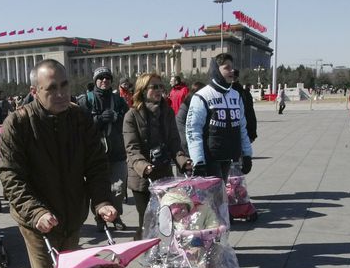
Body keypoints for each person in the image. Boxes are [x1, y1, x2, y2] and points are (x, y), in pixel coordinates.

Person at [0, 59, 117, 268]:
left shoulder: (79, 118)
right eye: (52, 88)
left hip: (71, 215)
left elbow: (96, 164)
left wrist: (101, 201)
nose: (62, 93)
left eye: (65, 85)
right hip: (35, 220)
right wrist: (36, 212)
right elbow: (10, 175)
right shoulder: (19, 123)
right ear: (35, 91)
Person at [124, 73, 190, 239]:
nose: (159, 90)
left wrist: (184, 161)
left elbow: (174, 142)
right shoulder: (131, 115)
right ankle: (144, 248)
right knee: (147, 219)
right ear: (143, 89)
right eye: (154, 87)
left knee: (166, 216)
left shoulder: (167, 112)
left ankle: (162, 249)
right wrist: (143, 165)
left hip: (164, 173)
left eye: (161, 86)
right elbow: (132, 148)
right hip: (142, 176)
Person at [185, 53, 253, 182]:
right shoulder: (202, 96)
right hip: (209, 158)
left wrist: (247, 154)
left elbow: (242, 127)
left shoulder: (236, 95)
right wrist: (198, 160)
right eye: (227, 67)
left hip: (228, 156)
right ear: (216, 70)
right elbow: (193, 130)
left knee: (222, 197)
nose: (232, 71)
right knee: (215, 199)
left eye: (232, 67)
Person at [77, 66, 128, 231]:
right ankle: (100, 218)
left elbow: (128, 121)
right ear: (95, 81)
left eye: (107, 78)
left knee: (119, 188)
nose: (104, 80)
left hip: (117, 152)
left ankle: (116, 215)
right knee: (99, 188)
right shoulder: (86, 100)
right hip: (96, 154)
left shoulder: (119, 100)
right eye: (101, 78)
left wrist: (117, 117)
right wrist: (98, 120)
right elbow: (79, 126)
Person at [233, 72, 257, 143]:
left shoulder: (243, 93)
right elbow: (250, 114)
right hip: (243, 131)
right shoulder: (245, 93)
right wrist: (252, 133)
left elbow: (250, 113)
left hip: (231, 133)